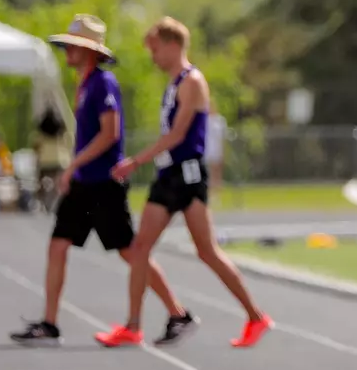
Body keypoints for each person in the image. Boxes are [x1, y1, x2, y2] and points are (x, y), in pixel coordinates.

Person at [11, 15, 193, 345]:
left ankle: (177, 312)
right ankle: (49, 323)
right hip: (84, 182)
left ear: (92, 51)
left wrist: (73, 165)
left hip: (104, 183)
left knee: (130, 252)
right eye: (68, 44)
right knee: (58, 246)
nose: (68, 50)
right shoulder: (82, 86)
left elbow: (111, 134)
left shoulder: (103, 83)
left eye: (76, 45)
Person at [106, 17, 273, 349]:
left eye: (155, 49)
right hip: (169, 174)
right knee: (140, 248)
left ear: (172, 45)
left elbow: (178, 134)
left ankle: (256, 316)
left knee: (207, 251)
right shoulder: (174, 83)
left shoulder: (192, 81)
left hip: (188, 175)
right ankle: (133, 325)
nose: (152, 56)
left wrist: (136, 161)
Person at [33, 104, 72, 212]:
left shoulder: (41, 136)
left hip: (44, 161)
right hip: (59, 161)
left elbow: (36, 148)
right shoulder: (62, 135)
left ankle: (40, 200)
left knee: (40, 181)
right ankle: (58, 201)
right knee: (58, 183)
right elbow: (69, 145)